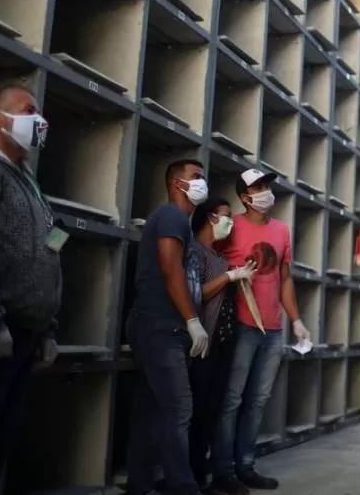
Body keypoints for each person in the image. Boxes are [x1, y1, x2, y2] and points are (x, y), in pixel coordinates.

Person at [0, 83, 62, 494]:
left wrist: (47, 327)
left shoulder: (25, 176)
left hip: (23, 335)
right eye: (29, 111)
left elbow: (48, 247)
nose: (39, 121)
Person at [211, 169, 310, 493]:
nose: (266, 192)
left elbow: (284, 279)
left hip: (272, 329)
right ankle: (223, 471)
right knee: (232, 399)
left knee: (258, 400)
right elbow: (211, 265)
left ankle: (246, 466)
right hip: (241, 325)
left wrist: (295, 320)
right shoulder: (230, 227)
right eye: (258, 187)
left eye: (267, 186)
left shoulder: (281, 231)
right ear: (244, 197)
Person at [125, 158, 211, 495]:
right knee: (178, 409)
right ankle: (183, 487)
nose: (202, 182)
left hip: (158, 326)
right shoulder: (173, 216)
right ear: (178, 183)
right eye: (196, 177)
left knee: (152, 411)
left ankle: (139, 484)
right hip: (161, 326)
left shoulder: (181, 223)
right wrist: (192, 321)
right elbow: (169, 267)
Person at [187, 197, 257, 491]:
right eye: (227, 216)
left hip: (221, 344)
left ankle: (203, 474)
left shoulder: (218, 256)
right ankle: (189, 476)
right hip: (201, 346)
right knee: (196, 411)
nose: (231, 222)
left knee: (212, 411)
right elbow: (195, 294)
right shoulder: (193, 251)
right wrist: (229, 276)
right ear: (210, 218)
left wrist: (236, 275)